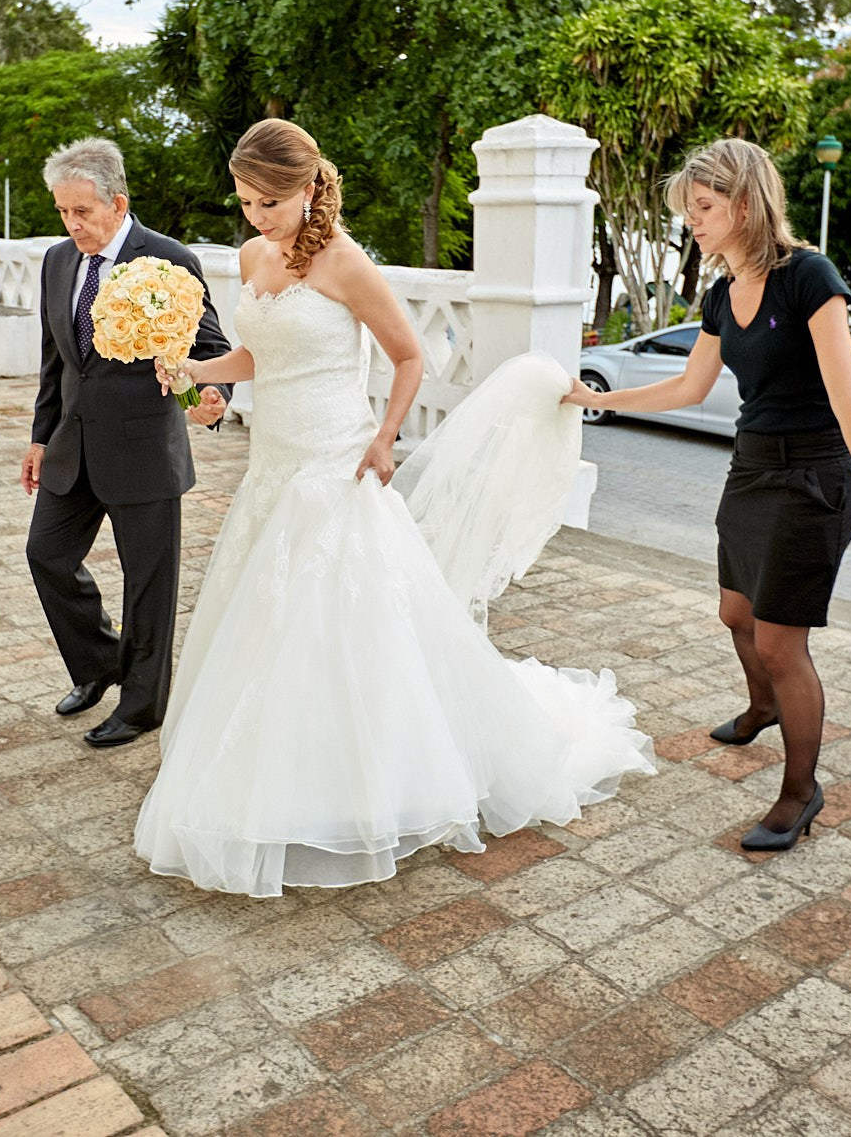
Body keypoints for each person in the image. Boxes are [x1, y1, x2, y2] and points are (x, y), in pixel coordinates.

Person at [134, 118, 653, 897]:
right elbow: (263, 355)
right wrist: (198, 368)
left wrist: (385, 438)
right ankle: (278, 773)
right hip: (272, 467)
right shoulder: (249, 256)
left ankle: (370, 784)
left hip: (337, 466)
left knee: (340, 625)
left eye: (268, 201)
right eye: (244, 201)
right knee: (264, 623)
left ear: (309, 188)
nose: (255, 216)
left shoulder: (346, 263)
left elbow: (409, 355)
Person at [565, 138, 851, 851]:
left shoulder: (808, 277)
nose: (692, 221)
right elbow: (691, 386)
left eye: (703, 206)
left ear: (744, 202)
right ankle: (762, 703)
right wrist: (593, 398)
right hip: (753, 465)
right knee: (736, 610)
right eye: (689, 209)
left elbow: (847, 392)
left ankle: (800, 791)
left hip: (816, 474)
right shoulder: (721, 291)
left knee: (781, 641)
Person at [22, 138, 233, 749]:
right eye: (62, 212)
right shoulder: (58, 261)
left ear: (118, 203)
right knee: (47, 555)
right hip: (72, 446)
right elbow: (54, 362)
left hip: (143, 450)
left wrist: (210, 401)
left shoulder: (167, 260)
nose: (71, 224)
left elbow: (209, 350)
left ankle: (142, 706)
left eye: (81, 212)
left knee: (148, 585)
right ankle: (99, 665)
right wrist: (40, 438)